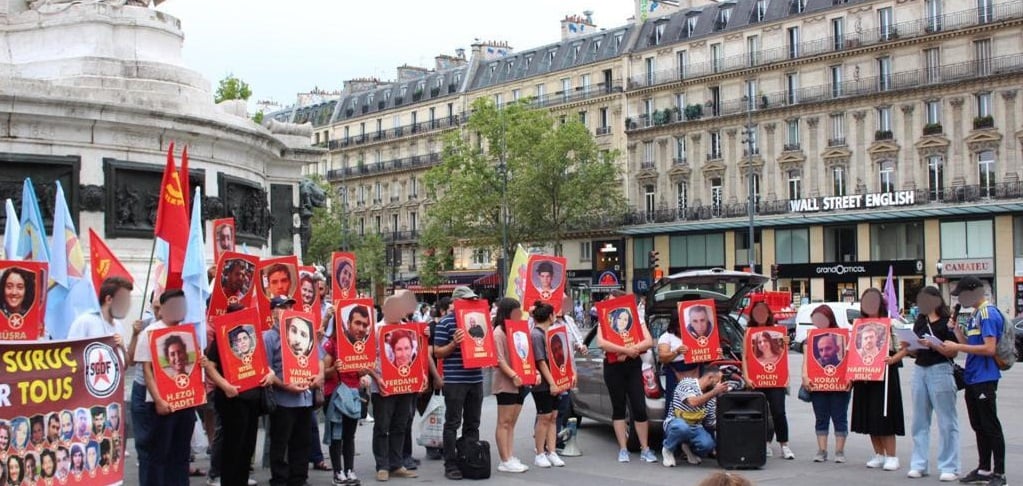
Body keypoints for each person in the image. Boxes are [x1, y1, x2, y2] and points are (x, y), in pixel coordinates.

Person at [133, 290, 200, 486]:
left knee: (180, 454)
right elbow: (147, 370)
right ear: (162, 309)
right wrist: (159, 401)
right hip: (160, 403)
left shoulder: (187, 331)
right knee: (157, 454)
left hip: (184, 401)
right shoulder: (150, 332)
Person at [944, 276, 1006, 486]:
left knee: (990, 425)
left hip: (985, 377)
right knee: (979, 425)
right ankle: (984, 468)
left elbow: (989, 348)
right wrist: (956, 332)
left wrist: (957, 348)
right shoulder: (976, 315)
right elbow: (972, 344)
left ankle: (999, 473)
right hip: (973, 377)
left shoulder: (987, 313)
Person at [203, 311, 275, 486]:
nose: (242, 342)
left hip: (253, 402)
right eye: (238, 340)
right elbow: (209, 367)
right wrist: (225, 385)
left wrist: (270, 374)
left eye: (244, 339)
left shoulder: (255, 340)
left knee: (247, 447)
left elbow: (265, 365)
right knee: (232, 447)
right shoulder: (220, 341)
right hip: (231, 402)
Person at [263, 294, 324, 486]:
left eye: (289, 307)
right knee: (280, 442)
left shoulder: (305, 332)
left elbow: (319, 359)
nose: (287, 311)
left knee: (302, 440)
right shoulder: (269, 337)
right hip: (283, 400)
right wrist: (285, 386)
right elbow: (266, 371)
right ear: (273, 312)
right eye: (282, 307)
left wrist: (320, 376)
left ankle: (299, 477)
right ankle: (280, 479)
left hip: (305, 399)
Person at [904, 286, 960, 481]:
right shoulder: (920, 322)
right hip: (920, 369)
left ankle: (949, 466)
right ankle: (919, 463)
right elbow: (915, 352)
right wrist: (909, 346)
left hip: (941, 370)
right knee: (919, 420)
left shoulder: (947, 323)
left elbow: (953, 352)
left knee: (946, 421)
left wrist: (934, 344)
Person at [596, 293, 657, 464]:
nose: (609, 303)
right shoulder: (604, 320)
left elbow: (648, 341)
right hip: (613, 367)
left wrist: (631, 350)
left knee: (639, 407)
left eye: (612, 299)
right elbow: (601, 343)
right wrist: (623, 351)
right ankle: (623, 449)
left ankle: (645, 448)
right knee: (619, 407)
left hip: (633, 365)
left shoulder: (636, 318)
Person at [433, 286, 487, 480]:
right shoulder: (446, 323)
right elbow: (437, 352)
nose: (472, 303)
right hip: (455, 381)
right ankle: (451, 463)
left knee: (473, 422)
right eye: (467, 300)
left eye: (473, 300)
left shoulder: (479, 319)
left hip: (476, 379)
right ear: (456, 302)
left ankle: (469, 458)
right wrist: (454, 343)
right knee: (453, 423)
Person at [850, 288, 906, 471]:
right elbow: (854, 348)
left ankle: (892, 456)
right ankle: (878, 454)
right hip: (863, 375)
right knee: (868, 416)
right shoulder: (858, 324)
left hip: (885, 375)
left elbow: (906, 348)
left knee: (884, 415)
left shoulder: (891, 323)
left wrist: (893, 359)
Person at [366, 292, 419, 482]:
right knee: (382, 426)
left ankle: (397, 464)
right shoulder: (375, 330)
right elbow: (366, 359)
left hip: (405, 387)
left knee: (400, 425)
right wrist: (376, 377)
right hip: (382, 387)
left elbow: (416, 357)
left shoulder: (409, 330)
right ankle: (382, 465)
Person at [744, 302, 794, 460]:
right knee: (760, 413)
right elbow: (745, 357)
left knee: (779, 411)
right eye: (760, 342)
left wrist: (786, 342)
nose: (762, 344)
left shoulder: (778, 332)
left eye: (763, 312)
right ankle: (765, 443)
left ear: (768, 314)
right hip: (756, 380)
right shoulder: (749, 332)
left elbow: (784, 358)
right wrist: (747, 377)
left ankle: (784, 445)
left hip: (776, 381)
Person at [802, 305, 851, 463]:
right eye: (821, 350)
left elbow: (851, 359)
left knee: (840, 416)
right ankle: (822, 450)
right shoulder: (809, 338)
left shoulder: (844, 337)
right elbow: (806, 361)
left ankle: (840, 451)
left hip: (840, 384)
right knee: (821, 417)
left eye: (828, 349)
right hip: (818, 385)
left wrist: (850, 377)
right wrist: (805, 376)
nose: (824, 352)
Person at [322, 324, 369, 485]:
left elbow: (363, 368)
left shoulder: (359, 344)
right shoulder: (331, 344)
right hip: (335, 394)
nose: (358, 329)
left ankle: (349, 470)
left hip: (353, 394)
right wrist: (334, 368)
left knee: (349, 435)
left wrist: (362, 372)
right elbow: (322, 372)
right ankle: (338, 472)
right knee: (337, 435)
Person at [661, 365, 729, 467]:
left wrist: (730, 425)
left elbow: (711, 422)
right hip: (675, 422)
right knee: (682, 428)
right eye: (718, 381)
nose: (718, 384)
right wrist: (714, 392)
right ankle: (667, 449)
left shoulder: (711, 397)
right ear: (710, 378)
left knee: (708, 445)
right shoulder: (687, 383)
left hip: (695, 427)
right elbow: (692, 402)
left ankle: (688, 448)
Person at [490, 298, 529, 473]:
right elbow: (499, 360)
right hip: (506, 382)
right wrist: (513, 375)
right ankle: (504, 459)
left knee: (511, 423)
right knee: (504, 422)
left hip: (519, 381)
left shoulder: (516, 330)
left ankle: (510, 455)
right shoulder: (498, 332)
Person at [530, 301, 566, 469]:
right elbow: (541, 361)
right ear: (550, 316)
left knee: (553, 416)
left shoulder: (549, 333)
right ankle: (540, 453)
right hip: (543, 383)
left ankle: (552, 451)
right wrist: (552, 382)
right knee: (543, 417)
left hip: (555, 381)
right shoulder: (536, 335)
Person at [67, 276, 132, 350]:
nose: (127, 305)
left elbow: (125, 361)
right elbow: (71, 353)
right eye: (123, 299)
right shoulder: (85, 321)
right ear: (109, 299)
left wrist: (122, 347)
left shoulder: (118, 326)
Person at [657, 309, 697, 418]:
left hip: (696, 373)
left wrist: (716, 352)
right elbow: (662, 358)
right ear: (674, 324)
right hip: (676, 375)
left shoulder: (697, 335)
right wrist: (676, 352)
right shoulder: (667, 337)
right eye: (680, 324)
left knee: (697, 406)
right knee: (675, 406)